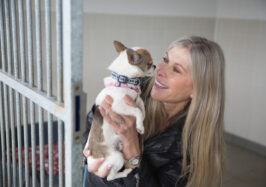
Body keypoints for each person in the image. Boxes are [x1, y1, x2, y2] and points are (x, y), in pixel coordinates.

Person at [82, 36, 226, 187]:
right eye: (165, 59)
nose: (160, 70)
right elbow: (89, 129)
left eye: (176, 69)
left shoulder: (191, 143)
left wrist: (131, 146)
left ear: (198, 90)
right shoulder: (132, 87)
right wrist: (90, 155)